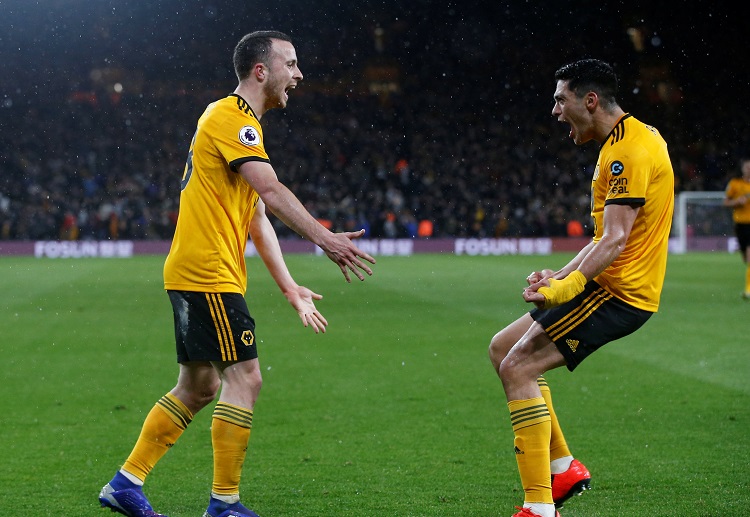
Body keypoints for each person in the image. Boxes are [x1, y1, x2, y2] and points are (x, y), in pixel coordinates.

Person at [99, 30, 376, 517]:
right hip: (208, 273)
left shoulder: (242, 127)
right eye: (290, 64)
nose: (299, 74)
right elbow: (270, 191)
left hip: (198, 271)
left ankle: (126, 483)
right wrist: (326, 238)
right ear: (261, 71)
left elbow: (258, 218)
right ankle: (224, 504)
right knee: (245, 379)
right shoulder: (231, 116)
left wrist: (290, 288)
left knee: (199, 386)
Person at [488, 59, 674, 517]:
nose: (555, 111)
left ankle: (539, 506)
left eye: (560, 100)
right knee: (503, 348)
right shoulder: (635, 138)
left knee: (518, 368)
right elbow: (601, 238)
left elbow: (615, 240)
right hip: (610, 284)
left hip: (619, 294)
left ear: (590, 101)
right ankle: (563, 465)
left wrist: (563, 289)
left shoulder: (625, 153)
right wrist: (559, 276)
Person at [722, 157, 750, 299]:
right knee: (746, 259)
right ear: (743, 168)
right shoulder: (735, 184)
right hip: (741, 225)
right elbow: (725, 202)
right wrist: (737, 202)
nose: (749, 169)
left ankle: (748, 290)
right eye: (747, 167)